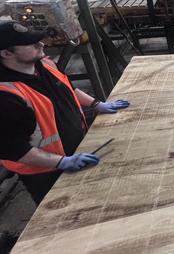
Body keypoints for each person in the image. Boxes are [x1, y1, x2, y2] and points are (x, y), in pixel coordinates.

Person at [0, 21, 130, 204]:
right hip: (44, 172)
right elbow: (15, 150)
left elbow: (68, 87)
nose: (42, 45)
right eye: (32, 44)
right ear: (6, 53)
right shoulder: (6, 97)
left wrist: (96, 104)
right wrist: (61, 162)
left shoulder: (44, 64)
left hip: (77, 149)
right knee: (61, 213)